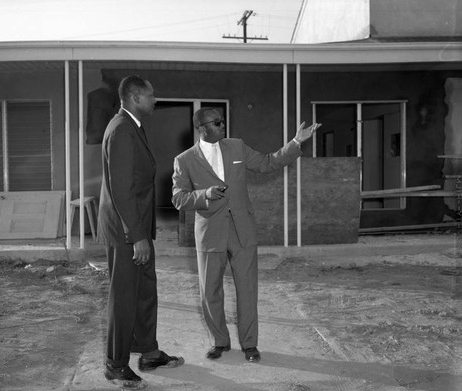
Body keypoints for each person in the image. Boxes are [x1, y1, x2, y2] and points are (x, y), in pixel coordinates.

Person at [171, 108, 320, 363]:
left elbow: (268, 162)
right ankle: (220, 342)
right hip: (210, 233)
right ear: (202, 128)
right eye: (217, 123)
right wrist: (204, 195)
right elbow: (178, 198)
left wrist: (295, 142)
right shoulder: (184, 160)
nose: (223, 125)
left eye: (223, 121)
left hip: (243, 230)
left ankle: (250, 345)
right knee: (210, 292)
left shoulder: (237, 147)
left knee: (248, 290)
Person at [97, 75, 184, 390]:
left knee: (145, 292)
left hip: (136, 229)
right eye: (151, 95)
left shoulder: (132, 126)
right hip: (126, 234)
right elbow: (122, 190)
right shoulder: (121, 130)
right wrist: (138, 236)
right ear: (134, 97)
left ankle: (148, 352)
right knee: (124, 298)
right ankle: (115, 365)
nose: (155, 99)